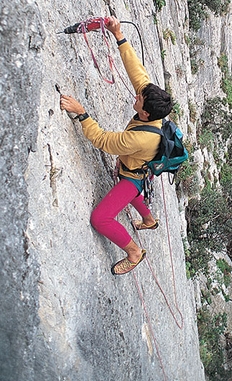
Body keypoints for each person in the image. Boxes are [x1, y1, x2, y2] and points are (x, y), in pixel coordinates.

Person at [60, 17, 173, 276]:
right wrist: (118, 35)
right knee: (132, 189)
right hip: (137, 168)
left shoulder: (142, 137)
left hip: (132, 177)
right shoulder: (151, 106)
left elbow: (103, 141)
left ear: (145, 114)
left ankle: (134, 252)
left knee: (101, 218)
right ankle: (149, 220)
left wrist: (82, 113)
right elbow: (136, 70)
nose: (136, 94)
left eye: (139, 99)